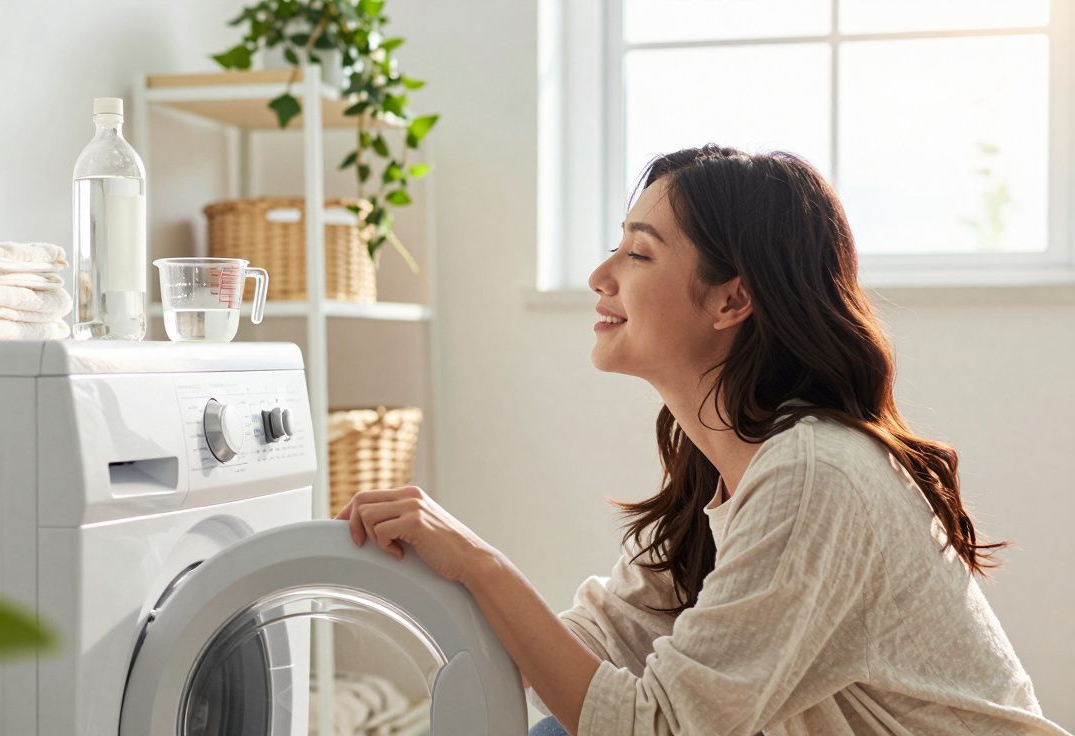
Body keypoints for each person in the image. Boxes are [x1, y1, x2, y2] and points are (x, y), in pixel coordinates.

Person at [335, 144, 1070, 735]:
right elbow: (585, 651)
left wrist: (479, 565)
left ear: (732, 299)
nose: (599, 275)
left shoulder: (816, 473)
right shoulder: (722, 468)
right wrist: (406, 581)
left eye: (638, 253)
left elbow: (656, 728)